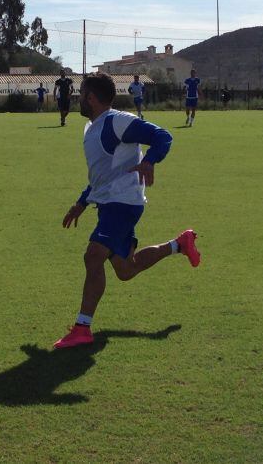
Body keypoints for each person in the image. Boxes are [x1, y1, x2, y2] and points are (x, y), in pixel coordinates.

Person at [54, 72, 200, 349]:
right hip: (110, 202)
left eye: (81, 92)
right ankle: (179, 245)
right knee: (125, 269)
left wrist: (151, 161)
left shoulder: (116, 121)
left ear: (91, 97)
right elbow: (102, 176)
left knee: (93, 256)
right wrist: (81, 203)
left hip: (123, 203)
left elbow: (162, 136)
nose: (77, 97)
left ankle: (82, 327)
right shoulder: (91, 127)